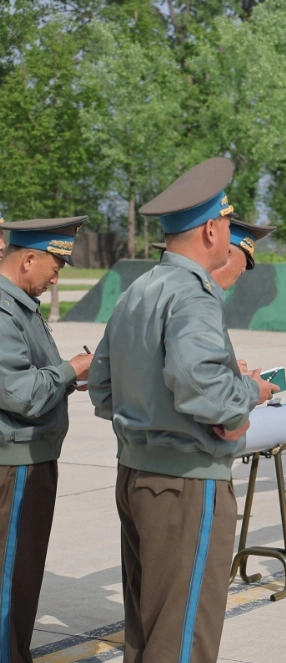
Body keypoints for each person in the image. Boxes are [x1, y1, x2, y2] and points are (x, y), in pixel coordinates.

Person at [89, 158, 279, 663]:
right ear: (214, 229)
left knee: (149, 632)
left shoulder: (138, 291)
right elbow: (206, 389)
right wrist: (249, 394)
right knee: (184, 637)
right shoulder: (193, 295)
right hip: (185, 487)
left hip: (137, 476)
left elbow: (104, 389)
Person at [0, 216, 92, 662]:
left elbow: (34, 376)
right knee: (9, 579)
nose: (57, 276)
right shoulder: (2, 309)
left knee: (22, 573)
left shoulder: (20, 306)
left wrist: (71, 377)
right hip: (14, 464)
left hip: (31, 458)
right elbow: (19, 394)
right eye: (55, 264)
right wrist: (71, 368)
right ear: (28, 259)